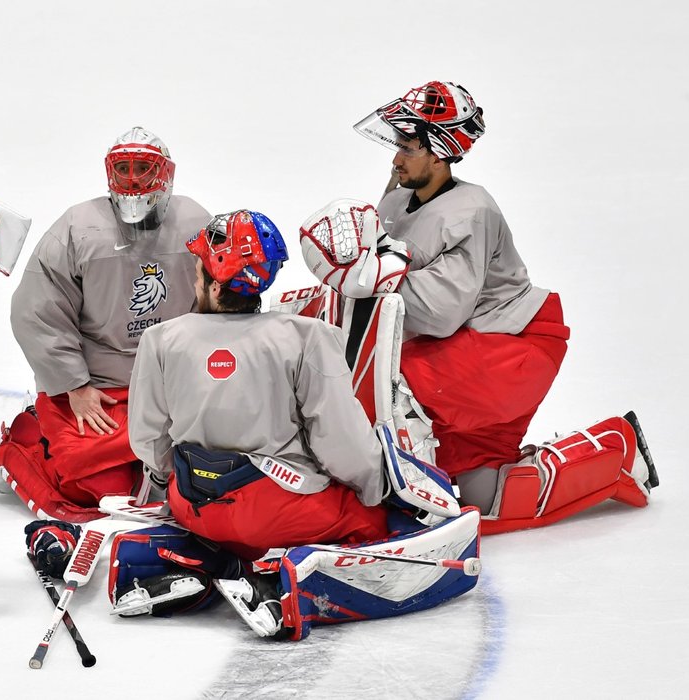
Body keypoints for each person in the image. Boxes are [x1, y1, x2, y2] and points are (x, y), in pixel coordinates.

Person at [299, 80, 659, 535]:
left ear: (439, 150)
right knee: (478, 496)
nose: (395, 158)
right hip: (468, 354)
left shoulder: (471, 210)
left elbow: (441, 313)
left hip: (510, 347)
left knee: (388, 379)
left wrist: (375, 279)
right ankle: (617, 448)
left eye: (408, 147)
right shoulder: (395, 200)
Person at [115, 210, 479, 640]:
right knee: (373, 519)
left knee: (231, 515)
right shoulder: (306, 336)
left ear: (216, 283)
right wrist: (376, 490)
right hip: (274, 512)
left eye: (198, 270)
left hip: (191, 504)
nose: (194, 279)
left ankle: (209, 561)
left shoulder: (161, 339)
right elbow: (341, 441)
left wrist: (170, 484)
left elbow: (148, 438)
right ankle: (276, 581)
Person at [0, 127, 211, 521]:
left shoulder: (196, 223)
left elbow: (219, 301)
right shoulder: (78, 227)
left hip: (173, 383)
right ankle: (27, 439)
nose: (132, 179)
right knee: (95, 488)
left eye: (143, 168)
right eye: (124, 168)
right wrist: (74, 385)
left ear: (166, 174)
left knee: (204, 474)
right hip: (98, 388)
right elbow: (35, 310)